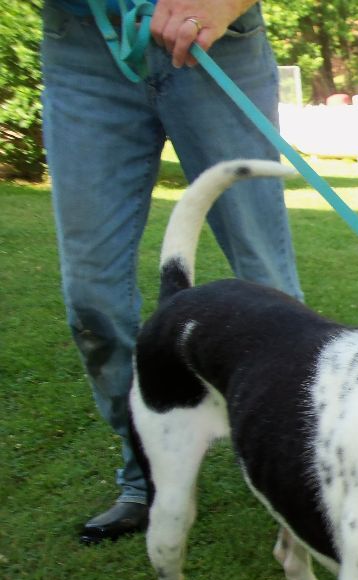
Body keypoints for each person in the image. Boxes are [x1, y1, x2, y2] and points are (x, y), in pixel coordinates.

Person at [40, 0, 303, 544]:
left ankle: (305, 468)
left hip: (216, 40)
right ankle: (147, 474)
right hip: (83, 43)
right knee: (93, 300)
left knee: (268, 282)